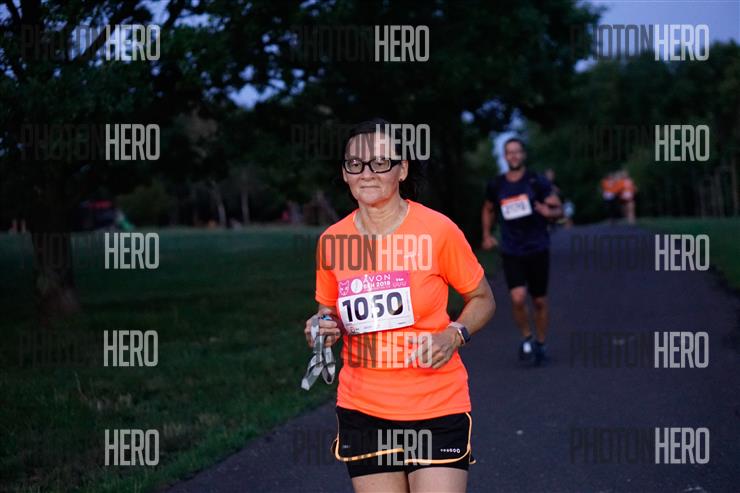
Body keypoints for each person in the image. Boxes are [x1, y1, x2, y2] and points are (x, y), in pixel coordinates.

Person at [305, 118, 495, 493]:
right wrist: (322, 328)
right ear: (344, 173)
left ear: (402, 169)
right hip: (364, 408)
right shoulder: (332, 241)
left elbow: (483, 298)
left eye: (380, 162)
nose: (367, 173)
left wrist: (453, 335)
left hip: (436, 403)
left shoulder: (438, 230)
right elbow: (329, 311)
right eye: (355, 164)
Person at [481, 137, 562, 365]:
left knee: (538, 301)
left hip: (537, 247)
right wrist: (486, 234)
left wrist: (549, 212)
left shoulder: (536, 181)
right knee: (517, 298)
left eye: (517, 151)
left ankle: (541, 343)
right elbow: (488, 208)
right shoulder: (497, 185)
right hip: (511, 249)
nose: (514, 156)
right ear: (505, 156)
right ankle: (527, 339)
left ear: (523, 155)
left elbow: (558, 209)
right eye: (509, 152)